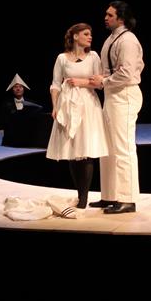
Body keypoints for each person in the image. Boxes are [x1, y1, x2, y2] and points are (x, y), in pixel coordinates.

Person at [88, 0, 144, 214]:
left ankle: (127, 199)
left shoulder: (128, 40)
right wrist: (103, 80)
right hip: (112, 95)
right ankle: (110, 195)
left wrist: (104, 81)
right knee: (108, 148)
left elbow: (128, 72)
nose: (106, 18)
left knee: (123, 147)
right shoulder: (111, 38)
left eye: (110, 15)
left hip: (124, 95)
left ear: (121, 18)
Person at [46, 23, 108, 209]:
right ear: (75, 36)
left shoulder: (93, 56)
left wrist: (81, 82)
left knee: (86, 149)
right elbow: (55, 84)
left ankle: (83, 197)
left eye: (90, 34)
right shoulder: (62, 58)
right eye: (86, 34)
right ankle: (79, 193)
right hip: (68, 105)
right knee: (72, 151)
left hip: (88, 105)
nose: (90, 37)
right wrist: (55, 106)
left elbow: (100, 83)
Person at [1, 73, 44, 147]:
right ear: (12, 89)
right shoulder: (6, 105)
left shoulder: (31, 103)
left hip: (28, 139)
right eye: (15, 87)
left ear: (23, 89)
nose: (18, 89)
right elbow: (5, 122)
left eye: (20, 87)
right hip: (11, 140)